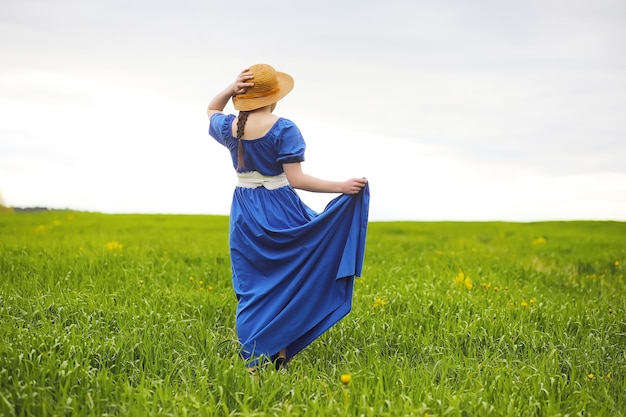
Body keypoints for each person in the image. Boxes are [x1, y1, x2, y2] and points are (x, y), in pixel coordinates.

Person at [207, 64, 369, 370]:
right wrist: (342, 187)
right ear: (274, 97)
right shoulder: (283, 129)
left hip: (245, 212)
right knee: (289, 281)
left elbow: (211, 108)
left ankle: (254, 363)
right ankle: (279, 358)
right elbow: (297, 180)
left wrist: (231, 88)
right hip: (281, 209)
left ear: (243, 96)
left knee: (251, 287)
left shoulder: (230, 126)